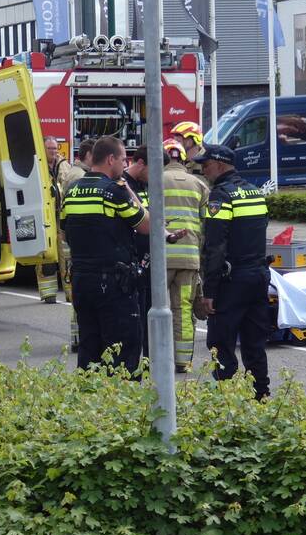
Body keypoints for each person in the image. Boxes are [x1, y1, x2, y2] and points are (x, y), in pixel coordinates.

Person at [61, 136, 150, 373]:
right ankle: (121, 405)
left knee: (90, 349)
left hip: (82, 281)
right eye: (123, 159)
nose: (125, 164)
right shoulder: (114, 192)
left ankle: (89, 403)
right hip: (114, 284)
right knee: (124, 351)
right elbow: (146, 226)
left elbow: (64, 233)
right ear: (110, 159)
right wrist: (131, 191)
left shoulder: (72, 191)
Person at [197, 144, 271, 399]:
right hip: (258, 277)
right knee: (254, 343)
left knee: (220, 342)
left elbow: (215, 247)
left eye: (205, 165)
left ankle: (227, 401)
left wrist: (209, 291)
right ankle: (260, 395)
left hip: (232, 281)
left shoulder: (220, 196)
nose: (203, 170)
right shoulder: (254, 192)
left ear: (220, 164)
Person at [163, 139, 209, 373]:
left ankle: (159, 358)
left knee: (158, 308)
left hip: (162, 260)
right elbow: (206, 222)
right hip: (189, 260)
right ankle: (183, 361)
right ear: (182, 159)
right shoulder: (198, 184)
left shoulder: (155, 180)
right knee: (182, 307)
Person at [122, 144, 155, 357]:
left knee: (149, 318)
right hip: (132, 265)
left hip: (150, 264)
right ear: (141, 163)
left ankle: (150, 363)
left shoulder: (145, 184)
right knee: (136, 322)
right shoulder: (123, 185)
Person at [62, 138, 95, 350]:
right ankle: (78, 338)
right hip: (77, 243)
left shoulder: (74, 173)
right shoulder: (80, 176)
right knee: (79, 294)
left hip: (71, 239)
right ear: (89, 156)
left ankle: (77, 337)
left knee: (77, 292)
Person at [36, 136, 72, 303]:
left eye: (56, 148)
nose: (54, 152)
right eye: (50, 149)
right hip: (46, 217)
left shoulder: (64, 165)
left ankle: (71, 292)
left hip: (62, 216)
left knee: (67, 254)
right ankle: (48, 293)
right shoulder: (37, 165)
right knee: (46, 255)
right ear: (43, 149)